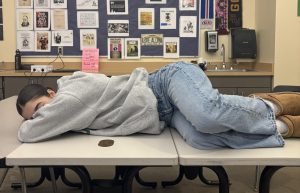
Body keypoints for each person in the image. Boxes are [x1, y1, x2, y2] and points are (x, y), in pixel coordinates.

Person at [16, 62, 300, 149]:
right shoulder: (66, 107)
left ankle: (276, 103)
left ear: (51, 94)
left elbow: (28, 134)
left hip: (165, 83)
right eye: (34, 116)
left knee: (206, 115)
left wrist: (30, 123)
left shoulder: (71, 93)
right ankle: (284, 126)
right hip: (164, 112)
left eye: (40, 108)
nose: (42, 117)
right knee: (201, 140)